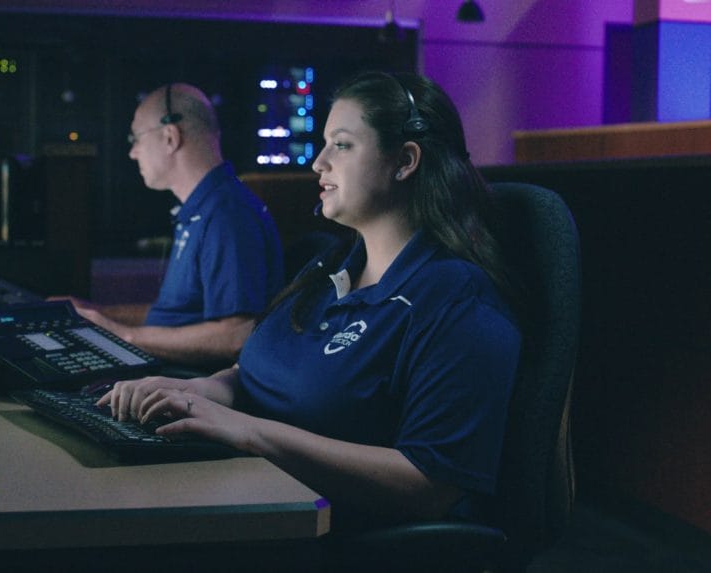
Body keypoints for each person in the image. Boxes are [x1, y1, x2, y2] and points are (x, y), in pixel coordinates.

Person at [97, 71, 522, 533]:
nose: (319, 162)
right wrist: (199, 392)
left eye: (341, 145)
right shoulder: (328, 269)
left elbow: (432, 486)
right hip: (251, 498)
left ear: (404, 161)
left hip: (328, 537)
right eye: (323, 144)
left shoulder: (456, 303)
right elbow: (252, 371)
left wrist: (250, 432)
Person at [66, 83, 284, 370]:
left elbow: (237, 335)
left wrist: (122, 335)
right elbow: (178, 314)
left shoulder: (226, 215)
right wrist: (95, 314)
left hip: (187, 383)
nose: (133, 153)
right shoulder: (204, 208)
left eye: (136, 138)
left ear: (170, 136)